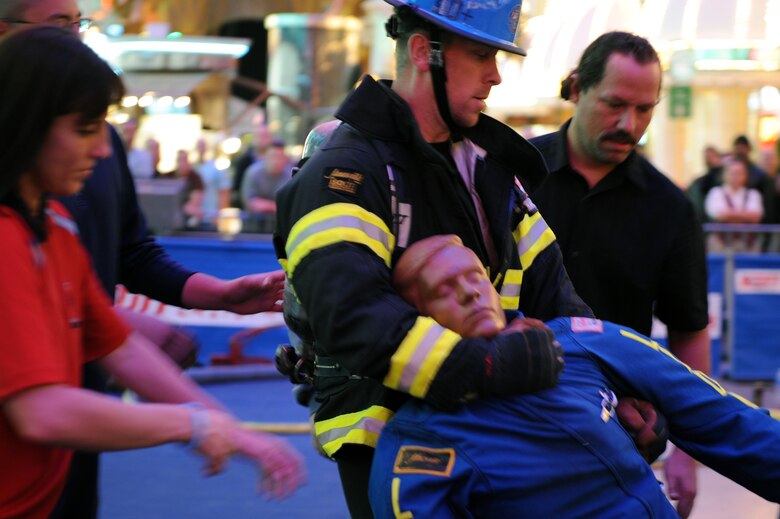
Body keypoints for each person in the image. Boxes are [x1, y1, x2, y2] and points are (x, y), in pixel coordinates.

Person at [273, 1, 593, 516]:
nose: (495, 76)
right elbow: (352, 316)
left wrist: (610, 391)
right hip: (387, 446)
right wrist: (487, 365)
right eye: (481, 55)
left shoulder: (488, 169)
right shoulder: (345, 175)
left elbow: (556, 293)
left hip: (490, 429)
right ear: (424, 52)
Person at [0, 25, 304, 519]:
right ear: (26, 123)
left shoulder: (54, 230)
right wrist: (194, 425)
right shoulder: (8, 239)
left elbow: (119, 346)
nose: (102, 150)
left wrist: (226, 426)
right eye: (84, 129)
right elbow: (42, 412)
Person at [369, 235, 780, 518]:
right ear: (418, 320)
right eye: (443, 289)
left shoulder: (582, 341)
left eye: (474, 276)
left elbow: (725, 420)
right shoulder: (419, 444)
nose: (469, 292)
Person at [529, 31, 709, 516]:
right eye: (614, 104)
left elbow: (689, 329)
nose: (629, 124)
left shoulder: (669, 207)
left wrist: (689, 454)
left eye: (645, 109)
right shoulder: (512, 177)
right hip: (511, 420)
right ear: (575, 89)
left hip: (616, 433)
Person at [704, 156, 764, 252]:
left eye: (739, 173)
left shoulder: (753, 194)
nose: (735, 176)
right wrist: (744, 216)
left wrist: (729, 215)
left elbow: (756, 216)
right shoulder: (715, 192)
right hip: (721, 244)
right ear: (724, 175)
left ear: (745, 176)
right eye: (732, 173)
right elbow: (717, 214)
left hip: (748, 245)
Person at [242, 138, 293, 233]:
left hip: (281, 230)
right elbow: (250, 203)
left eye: (280, 157)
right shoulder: (253, 173)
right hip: (254, 228)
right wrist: (276, 207)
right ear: (265, 156)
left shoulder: (290, 175)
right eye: (273, 156)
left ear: (285, 159)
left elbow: (292, 206)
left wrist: (265, 205)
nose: (276, 161)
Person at [232, 120, 273, 208]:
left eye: (265, 136)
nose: (262, 139)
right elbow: (237, 187)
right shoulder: (244, 161)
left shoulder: (279, 159)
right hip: (249, 210)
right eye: (259, 136)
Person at [194, 136, 231, 230]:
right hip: (195, 219)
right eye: (199, 146)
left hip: (211, 218)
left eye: (203, 146)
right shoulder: (193, 168)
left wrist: (218, 215)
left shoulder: (216, 169)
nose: (201, 149)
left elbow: (224, 192)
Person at [687, 145, 724, 223]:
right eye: (707, 157)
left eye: (712, 156)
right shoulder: (699, 181)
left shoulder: (723, 179)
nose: (709, 160)